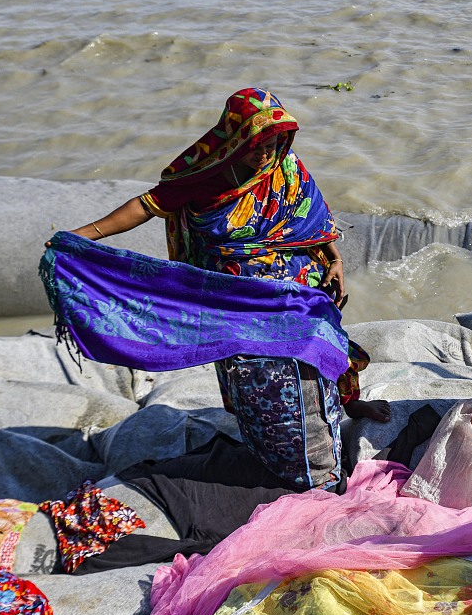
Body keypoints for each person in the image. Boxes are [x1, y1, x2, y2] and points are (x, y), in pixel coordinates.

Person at [64, 87, 392, 424]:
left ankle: (349, 401)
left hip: (296, 276)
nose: (265, 155)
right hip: (237, 289)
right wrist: (81, 236)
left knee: (325, 330)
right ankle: (263, 420)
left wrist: (335, 260)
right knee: (252, 361)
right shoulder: (206, 176)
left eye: (271, 146)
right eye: (256, 148)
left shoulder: (285, 165)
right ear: (235, 141)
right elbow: (145, 206)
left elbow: (308, 221)